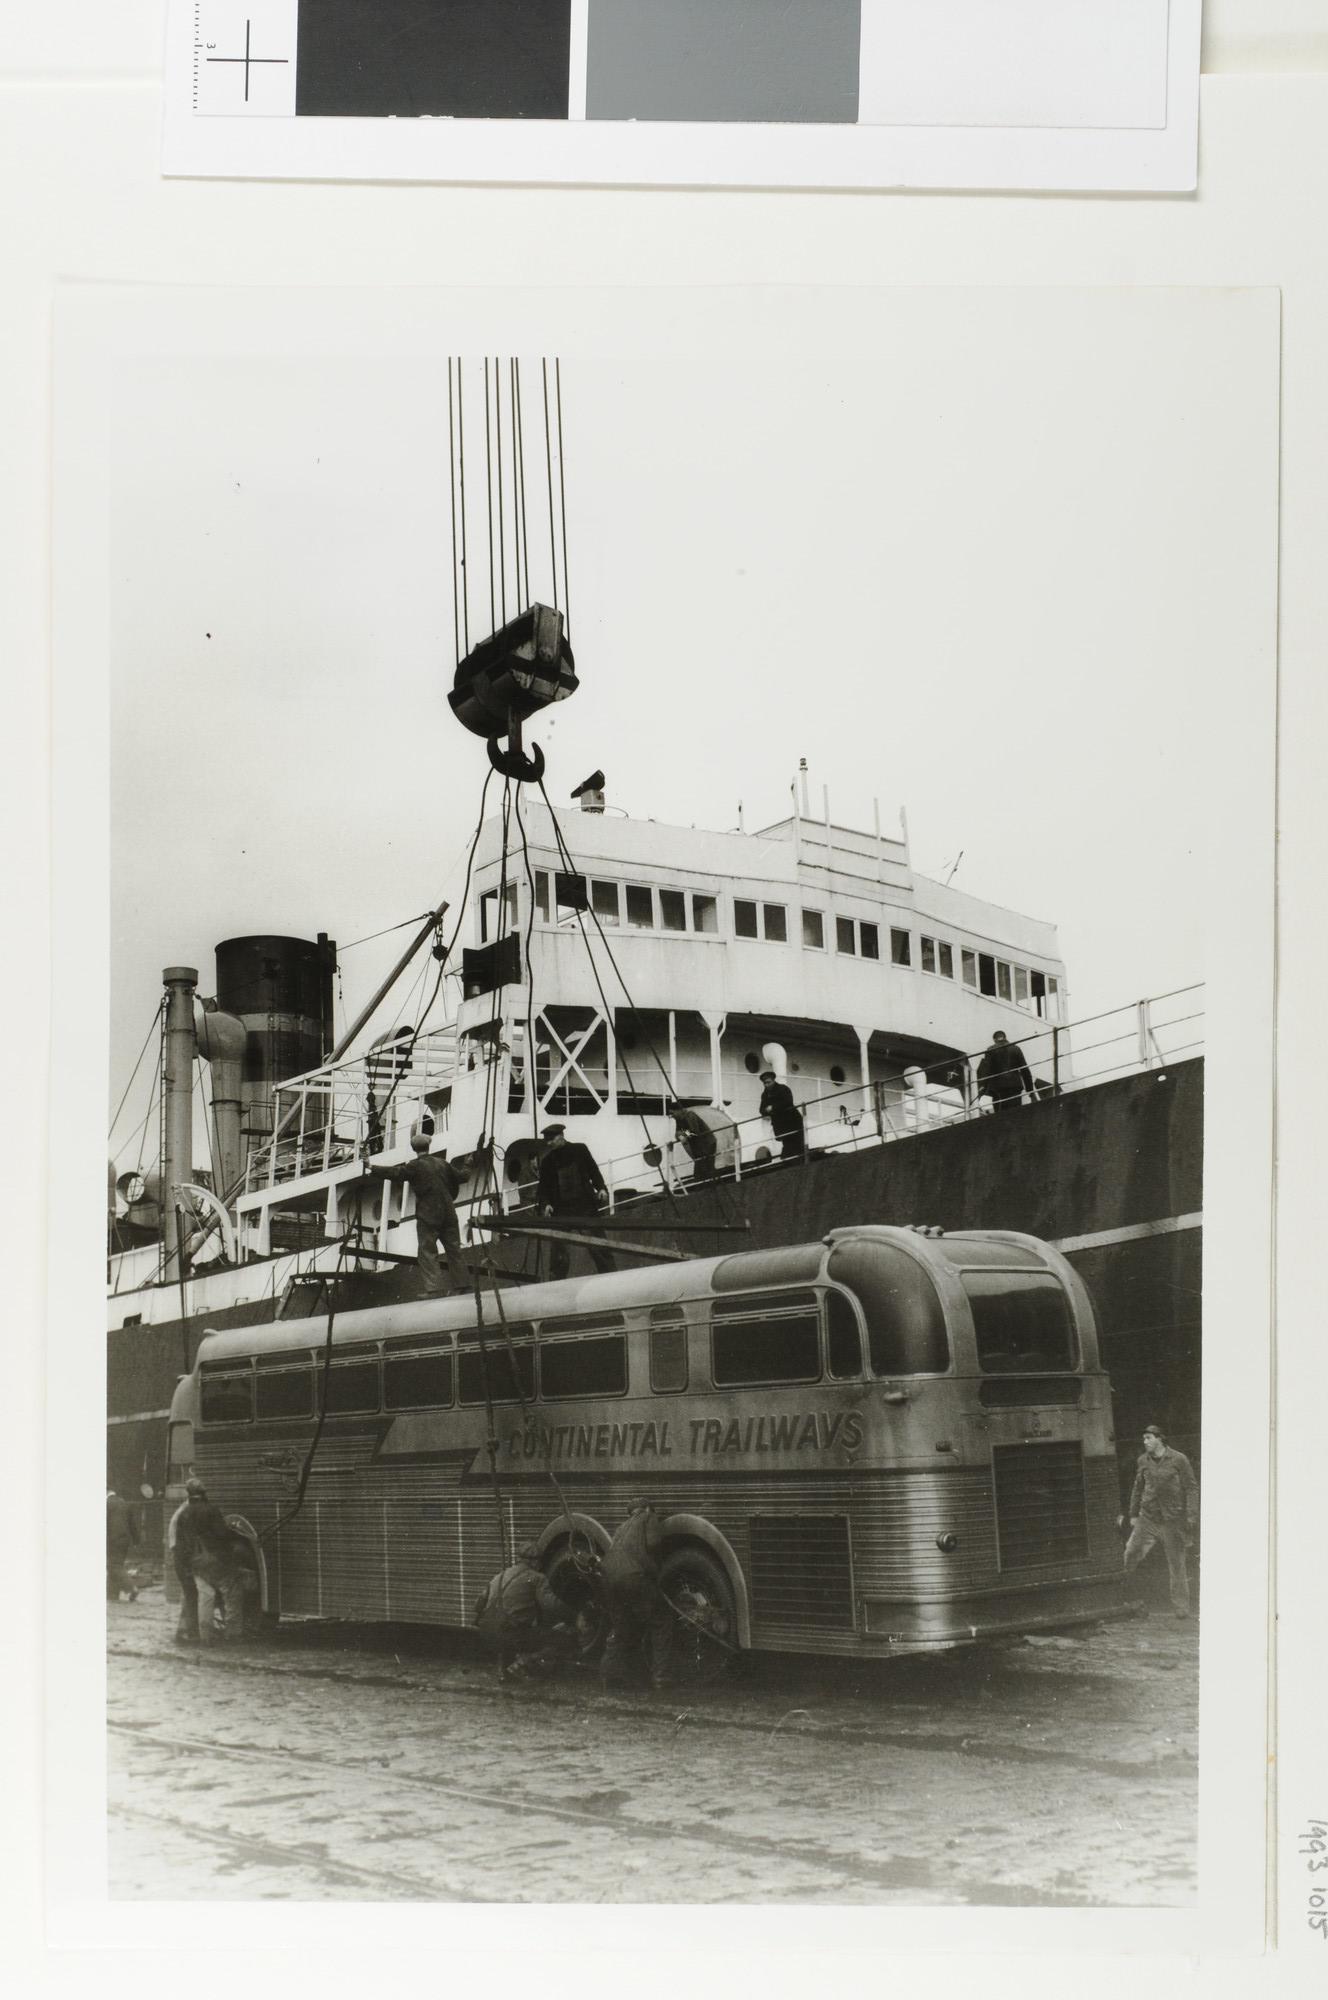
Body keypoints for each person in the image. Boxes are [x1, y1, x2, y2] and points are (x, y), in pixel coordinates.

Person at [365, 1130, 469, 1298]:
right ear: (428, 1146)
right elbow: (463, 1177)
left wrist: (371, 1167)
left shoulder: (414, 1166)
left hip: (429, 1214)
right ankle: (463, 1285)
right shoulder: (443, 1163)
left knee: (427, 1251)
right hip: (449, 1213)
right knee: (454, 1249)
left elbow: (396, 1173)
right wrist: (468, 1164)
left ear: (415, 1149)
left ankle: (434, 1290)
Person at [1120, 1425, 1199, 1617]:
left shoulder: (1178, 1459)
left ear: (1159, 1439)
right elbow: (1137, 1488)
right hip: (1148, 1519)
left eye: (1148, 1438)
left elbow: (1191, 1488)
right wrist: (1133, 1514)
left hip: (1173, 1520)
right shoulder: (1143, 1461)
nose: (1145, 1442)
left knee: (1177, 1564)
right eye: (1144, 1438)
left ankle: (1181, 1608)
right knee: (1130, 1553)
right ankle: (1121, 1597)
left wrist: (1191, 1515)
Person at [599, 1501, 674, 1690]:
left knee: (622, 1624)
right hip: (632, 1577)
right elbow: (654, 1543)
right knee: (662, 1620)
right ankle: (661, 1677)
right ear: (647, 1508)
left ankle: (610, 1675)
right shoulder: (649, 1518)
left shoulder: (622, 1527)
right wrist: (656, 1569)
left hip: (608, 1578)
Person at [473, 1543, 576, 1681]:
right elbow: (551, 1605)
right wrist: (575, 1612)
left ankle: (505, 1673)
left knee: (509, 1630)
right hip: (511, 1634)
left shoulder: (500, 1575)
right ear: (534, 1561)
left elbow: (477, 1605)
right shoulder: (537, 1577)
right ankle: (524, 1663)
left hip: (486, 1635)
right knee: (563, 1640)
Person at [174, 1477, 248, 1645]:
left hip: (195, 1562)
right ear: (204, 1492)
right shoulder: (211, 1509)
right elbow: (221, 1534)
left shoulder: (183, 1514)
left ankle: (206, 1637)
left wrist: (188, 1564)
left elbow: (180, 1543)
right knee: (232, 1591)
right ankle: (233, 1634)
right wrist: (236, 1533)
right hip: (214, 1560)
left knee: (206, 1595)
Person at [536, 1125, 613, 1280]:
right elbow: (543, 1188)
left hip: (585, 1206)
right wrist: (546, 1204)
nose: (548, 1144)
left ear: (561, 1136)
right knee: (559, 1251)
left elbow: (593, 1171)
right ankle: (556, 1283)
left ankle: (611, 1277)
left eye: (551, 1140)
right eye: (547, 1141)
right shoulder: (547, 1162)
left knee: (599, 1246)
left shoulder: (580, 1150)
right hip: (562, 1210)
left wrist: (601, 1188)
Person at [168, 1489, 200, 1644]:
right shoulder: (186, 1513)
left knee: (188, 1594)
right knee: (191, 1594)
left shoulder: (182, 1510)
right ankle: (189, 1632)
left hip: (180, 1558)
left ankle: (183, 1630)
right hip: (183, 1559)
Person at [976, 1030, 1034, 1113]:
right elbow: (1025, 1069)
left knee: (1000, 1114)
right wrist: (1029, 1089)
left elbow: (986, 1071)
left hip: (998, 1088)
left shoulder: (990, 1050)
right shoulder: (1016, 1049)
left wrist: (982, 1088)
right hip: (1014, 1086)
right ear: (1005, 1038)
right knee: (1015, 1112)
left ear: (994, 1039)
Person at [758, 1069, 805, 1161]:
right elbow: (761, 1110)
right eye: (764, 1083)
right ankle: (790, 1160)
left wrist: (773, 1107)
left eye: (768, 1082)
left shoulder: (783, 1089)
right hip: (780, 1124)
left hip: (792, 1121)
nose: (766, 1085)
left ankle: (797, 1159)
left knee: (797, 1142)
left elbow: (788, 1102)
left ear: (773, 1080)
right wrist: (766, 1110)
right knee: (787, 1143)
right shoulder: (765, 1094)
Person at [106, 1490, 138, 1602]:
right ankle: (112, 1595)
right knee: (115, 1565)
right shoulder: (124, 1503)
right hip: (125, 1540)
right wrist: (136, 1541)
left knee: (113, 1566)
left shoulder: (106, 1504)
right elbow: (132, 1524)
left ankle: (131, 1588)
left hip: (112, 1540)